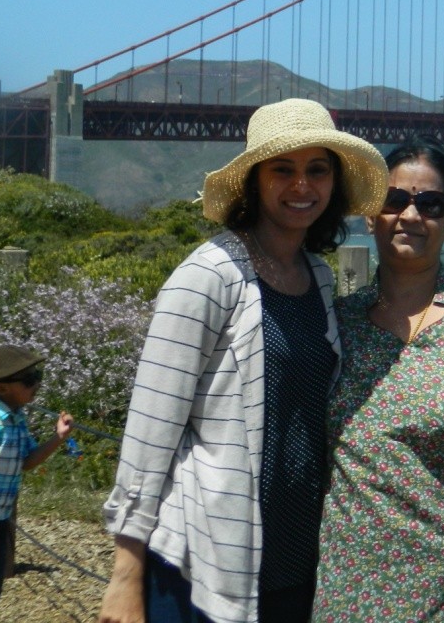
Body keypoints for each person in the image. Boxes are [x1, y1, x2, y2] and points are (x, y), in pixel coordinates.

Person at [98, 98, 388, 623]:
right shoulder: (208, 275)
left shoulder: (318, 278)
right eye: (283, 170)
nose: (302, 186)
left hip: (295, 559)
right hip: (206, 561)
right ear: (254, 181)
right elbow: (150, 429)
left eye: (317, 170)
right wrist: (125, 574)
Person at [313, 135, 444, 622]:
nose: (411, 215)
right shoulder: (336, 321)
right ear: (370, 215)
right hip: (350, 592)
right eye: (394, 200)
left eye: (430, 204)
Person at [0, 345, 74, 623]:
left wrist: (59, 437)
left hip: (0, 519)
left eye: (37, 375)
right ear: (1, 388)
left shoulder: (18, 419)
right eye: (29, 379)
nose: (37, 384)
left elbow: (28, 461)